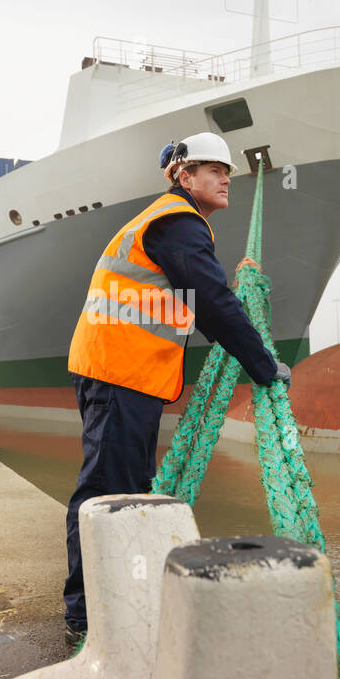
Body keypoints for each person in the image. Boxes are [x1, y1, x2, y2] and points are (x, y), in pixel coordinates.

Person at [61, 132, 291, 647]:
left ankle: (111, 597)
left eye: (228, 171)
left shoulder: (172, 223)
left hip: (122, 373)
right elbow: (211, 301)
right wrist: (262, 366)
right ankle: (85, 613)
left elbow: (198, 299)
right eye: (215, 170)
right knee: (105, 493)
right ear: (184, 176)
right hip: (119, 373)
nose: (227, 178)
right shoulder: (177, 223)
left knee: (125, 487)